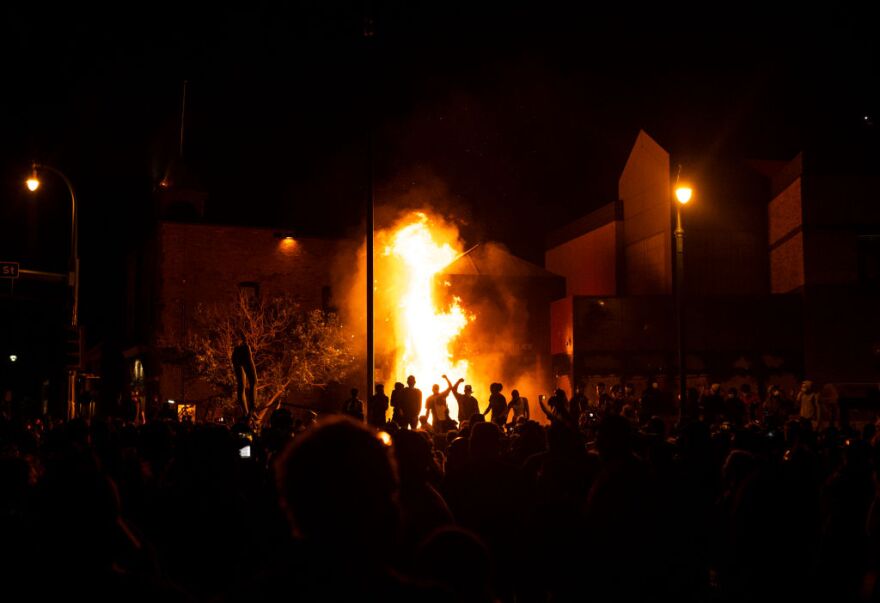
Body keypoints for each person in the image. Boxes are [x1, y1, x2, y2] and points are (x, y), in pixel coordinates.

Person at [231, 332, 257, 419]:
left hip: (235, 354)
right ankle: (252, 410)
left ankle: (245, 412)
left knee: (241, 386)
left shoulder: (235, 350)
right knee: (253, 381)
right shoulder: (244, 346)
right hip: (243, 350)